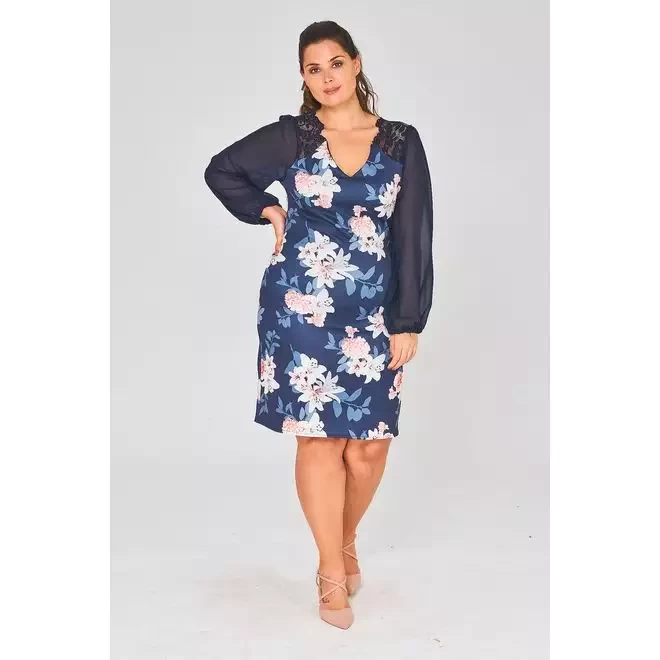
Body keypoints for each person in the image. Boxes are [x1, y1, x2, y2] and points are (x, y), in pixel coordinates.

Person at [203, 20, 434, 629]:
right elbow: (222, 170)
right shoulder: (294, 137)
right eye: (314, 69)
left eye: (336, 63)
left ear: (356, 64)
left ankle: (344, 537)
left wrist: (408, 320)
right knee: (319, 440)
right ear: (304, 78)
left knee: (370, 447)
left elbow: (413, 235)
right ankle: (331, 568)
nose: (327, 77)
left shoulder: (401, 142)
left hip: (374, 311)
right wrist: (268, 209)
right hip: (299, 306)